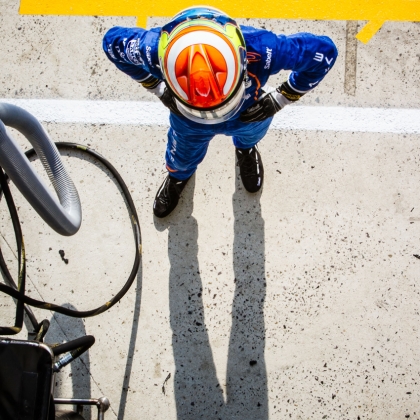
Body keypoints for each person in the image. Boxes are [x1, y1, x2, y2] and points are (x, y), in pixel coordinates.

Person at [102, 6, 338, 218]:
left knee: (249, 136)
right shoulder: (152, 51)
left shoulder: (265, 48)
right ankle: (179, 175)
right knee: (181, 156)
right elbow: (111, 44)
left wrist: (283, 97)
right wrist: (155, 86)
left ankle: (245, 149)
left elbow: (324, 53)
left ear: (243, 59)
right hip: (194, 120)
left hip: (246, 113)